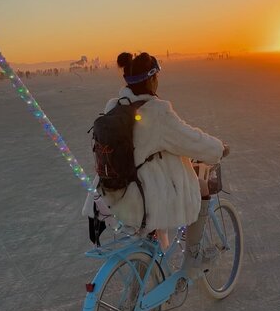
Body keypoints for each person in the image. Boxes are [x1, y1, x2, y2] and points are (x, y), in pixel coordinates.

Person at [83, 52, 229, 278]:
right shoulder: (157, 112)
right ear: (151, 79)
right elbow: (191, 140)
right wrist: (218, 149)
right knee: (201, 188)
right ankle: (192, 257)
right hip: (145, 200)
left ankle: (146, 277)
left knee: (148, 228)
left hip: (112, 196)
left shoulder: (113, 106)